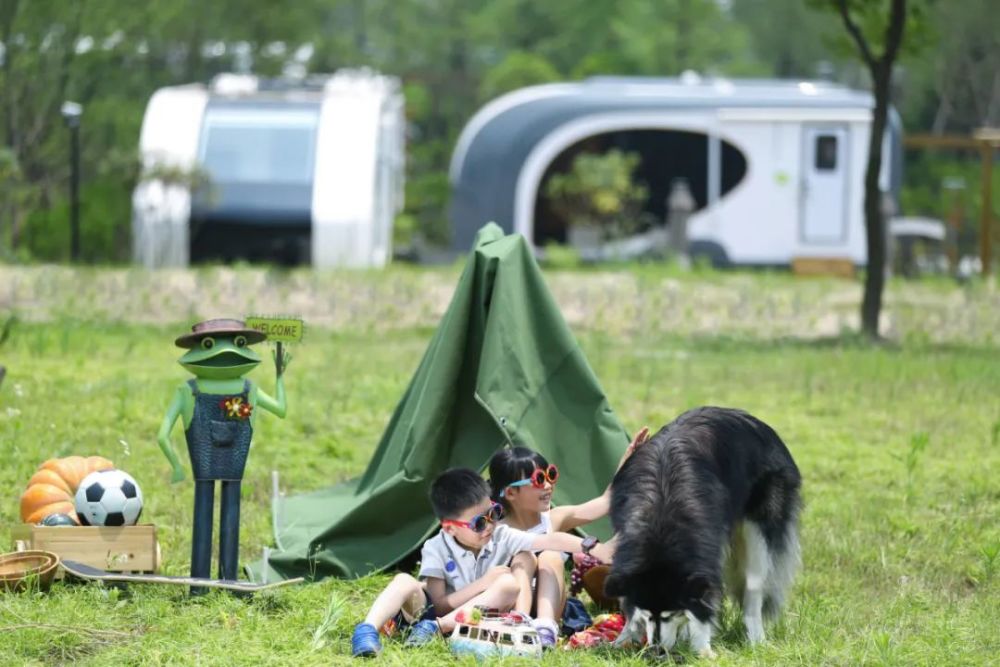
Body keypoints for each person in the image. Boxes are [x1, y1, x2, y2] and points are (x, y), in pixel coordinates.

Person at [350, 468, 613, 657]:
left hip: (472, 618)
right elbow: (439, 604)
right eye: (478, 523)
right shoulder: (436, 547)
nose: (489, 526)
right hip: (433, 615)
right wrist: (483, 584)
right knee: (404, 580)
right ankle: (367, 630)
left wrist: (592, 547)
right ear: (450, 528)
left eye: (494, 513)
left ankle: (437, 630)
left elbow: (549, 541)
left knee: (509, 583)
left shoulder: (500, 534)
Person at [487, 427, 650, 643]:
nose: (548, 486)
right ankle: (521, 623)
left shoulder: (553, 518)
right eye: (538, 480)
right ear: (511, 493)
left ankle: (545, 630)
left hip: (550, 610)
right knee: (525, 559)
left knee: (550, 556)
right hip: (508, 609)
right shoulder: (496, 531)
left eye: (550, 475)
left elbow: (605, 502)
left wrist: (629, 460)